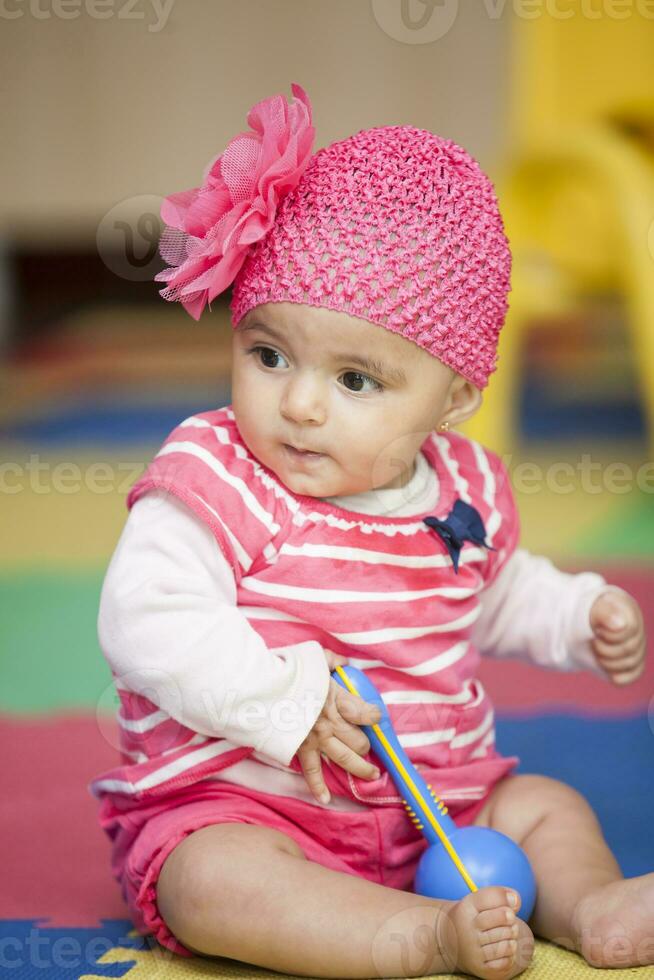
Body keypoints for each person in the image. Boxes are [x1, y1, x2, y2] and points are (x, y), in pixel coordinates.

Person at [89, 84, 650, 980]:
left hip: (446, 807)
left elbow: (497, 592)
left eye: (356, 381)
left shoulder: (460, 493)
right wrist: (283, 697)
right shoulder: (217, 475)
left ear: (456, 398)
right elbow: (143, 616)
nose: (301, 404)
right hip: (254, 809)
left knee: (544, 805)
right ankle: (417, 939)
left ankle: (591, 909)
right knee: (209, 883)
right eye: (269, 356)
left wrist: (580, 617)